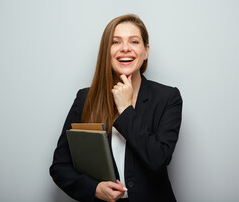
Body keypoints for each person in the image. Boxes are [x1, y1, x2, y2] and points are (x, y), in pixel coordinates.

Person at [50, 14, 183, 202]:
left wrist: (125, 108)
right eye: (116, 42)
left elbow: (158, 159)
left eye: (134, 42)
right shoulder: (85, 98)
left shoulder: (168, 98)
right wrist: (94, 188)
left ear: (146, 52)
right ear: (107, 51)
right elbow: (60, 167)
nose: (125, 48)